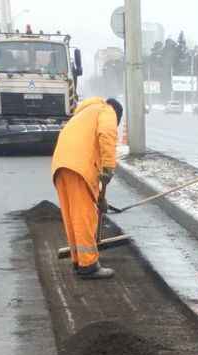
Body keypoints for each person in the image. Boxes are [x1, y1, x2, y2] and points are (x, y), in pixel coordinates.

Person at [51, 97, 123, 281]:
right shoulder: (106, 110)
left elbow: (87, 151)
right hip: (78, 167)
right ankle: (89, 265)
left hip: (61, 165)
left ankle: (79, 260)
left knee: (72, 215)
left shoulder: (84, 114)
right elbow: (107, 134)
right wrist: (108, 166)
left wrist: (100, 198)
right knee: (84, 216)